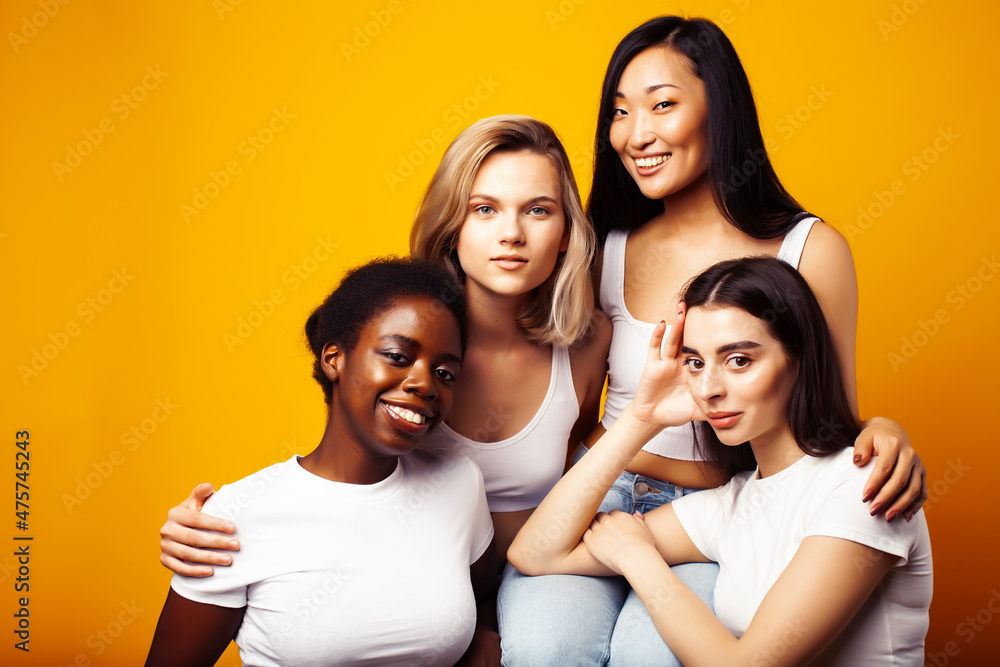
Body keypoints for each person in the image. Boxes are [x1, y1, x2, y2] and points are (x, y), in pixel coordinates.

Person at [496, 15, 927, 665]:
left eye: (662, 105)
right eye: (619, 112)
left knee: (657, 654)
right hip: (603, 490)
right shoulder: (604, 249)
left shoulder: (807, 249)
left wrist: (885, 431)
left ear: (718, 110)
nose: (636, 134)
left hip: (717, 504)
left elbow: (827, 418)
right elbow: (569, 409)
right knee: (545, 645)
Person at [157, 117, 608, 574]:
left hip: (538, 576)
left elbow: (581, 473)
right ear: (452, 225)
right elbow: (335, 470)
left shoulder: (588, 343)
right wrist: (224, 516)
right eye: (484, 209)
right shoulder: (397, 332)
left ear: (567, 233)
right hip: (409, 577)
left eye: (538, 210)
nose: (512, 233)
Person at [508, 256, 932, 665]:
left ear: (799, 358)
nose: (708, 387)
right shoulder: (732, 504)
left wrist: (637, 558)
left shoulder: (864, 483)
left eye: (739, 360)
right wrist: (641, 417)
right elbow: (537, 553)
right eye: (695, 362)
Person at [145, 258, 499, 666]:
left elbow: (485, 593)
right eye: (398, 356)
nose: (425, 383)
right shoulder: (232, 519)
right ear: (335, 359)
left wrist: (485, 634)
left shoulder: (458, 482)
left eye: (445, 373)